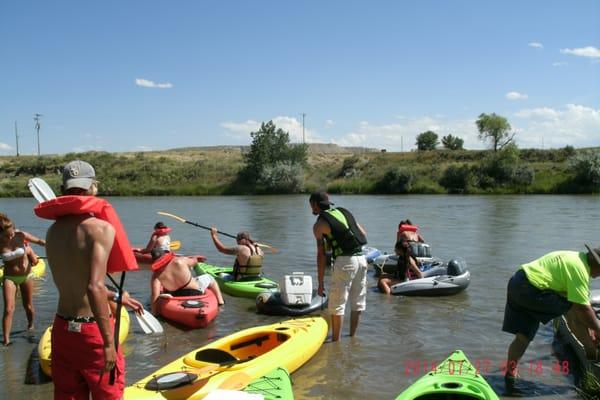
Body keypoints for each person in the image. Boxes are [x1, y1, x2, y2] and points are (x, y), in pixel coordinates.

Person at [35, 160, 140, 400]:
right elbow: (94, 286)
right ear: (93, 187)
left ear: (63, 190)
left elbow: (73, 278)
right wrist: (107, 343)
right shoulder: (100, 229)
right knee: (108, 395)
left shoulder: (52, 232)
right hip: (92, 331)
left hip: (61, 328)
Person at [502, 245, 600, 391]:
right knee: (574, 310)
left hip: (517, 282)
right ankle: (591, 351)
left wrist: (590, 323)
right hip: (532, 290)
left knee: (523, 337)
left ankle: (510, 373)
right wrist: (597, 328)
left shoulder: (574, 257)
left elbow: (583, 301)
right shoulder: (579, 270)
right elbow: (581, 308)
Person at [309, 191, 368, 342]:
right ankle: (352, 338)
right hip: (362, 259)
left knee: (337, 305)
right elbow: (362, 233)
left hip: (345, 262)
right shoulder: (344, 211)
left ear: (315, 205)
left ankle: (336, 343)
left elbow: (321, 255)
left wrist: (321, 282)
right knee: (357, 303)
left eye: (311, 205)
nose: (311, 209)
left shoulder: (319, 225)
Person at [0, 213, 46, 345]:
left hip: (26, 276)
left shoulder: (21, 235)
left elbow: (39, 241)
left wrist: (55, 244)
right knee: (9, 309)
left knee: (29, 307)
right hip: (9, 277)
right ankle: (6, 341)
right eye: (6, 235)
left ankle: (30, 326)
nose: (10, 236)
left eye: (12, 233)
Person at [150, 254, 225, 314]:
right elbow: (194, 261)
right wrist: (196, 258)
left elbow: (154, 297)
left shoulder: (156, 276)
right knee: (209, 277)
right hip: (195, 292)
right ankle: (221, 303)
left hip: (176, 296)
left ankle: (167, 296)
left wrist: (155, 314)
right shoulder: (180, 260)